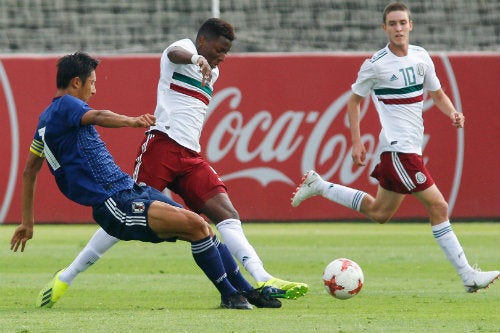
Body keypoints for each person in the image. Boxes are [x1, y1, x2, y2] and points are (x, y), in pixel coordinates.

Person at [32, 18, 307, 309]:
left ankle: (259, 281)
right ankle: (68, 275)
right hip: (161, 147)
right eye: (218, 49)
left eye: (227, 52)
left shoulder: (213, 73)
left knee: (224, 215)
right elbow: (176, 52)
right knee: (124, 213)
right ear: (202, 41)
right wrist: (196, 58)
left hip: (191, 157)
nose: (222, 56)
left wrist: (206, 63)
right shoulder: (184, 51)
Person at [291, 2, 499, 293]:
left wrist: (452, 112)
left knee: (380, 212)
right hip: (398, 149)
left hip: (410, 150)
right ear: (384, 28)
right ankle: (468, 275)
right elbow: (354, 101)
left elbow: (437, 94)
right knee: (439, 206)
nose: (399, 28)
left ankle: (319, 185)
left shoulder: (422, 57)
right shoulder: (376, 64)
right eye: (393, 23)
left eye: (403, 23)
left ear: (411, 25)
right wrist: (356, 140)